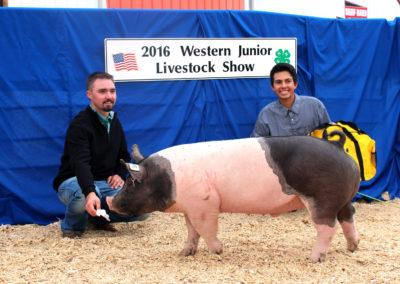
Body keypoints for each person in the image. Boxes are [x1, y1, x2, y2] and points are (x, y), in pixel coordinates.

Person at [53, 71, 149, 238]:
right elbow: (80, 163)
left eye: (112, 91)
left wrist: (119, 174)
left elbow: (124, 155)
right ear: (89, 95)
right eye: (102, 91)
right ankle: (71, 229)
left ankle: (96, 218)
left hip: (103, 184)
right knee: (86, 194)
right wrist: (90, 192)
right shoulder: (80, 124)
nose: (109, 96)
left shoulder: (115, 122)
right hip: (72, 182)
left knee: (142, 208)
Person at [251, 63, 330, 137]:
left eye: (288, 81)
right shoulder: (266, 114)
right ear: (272, 87)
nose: (283, 86)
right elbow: (256, 144)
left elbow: (329, 136)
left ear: (295, 84)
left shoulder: (315, 106)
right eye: (279, 82)